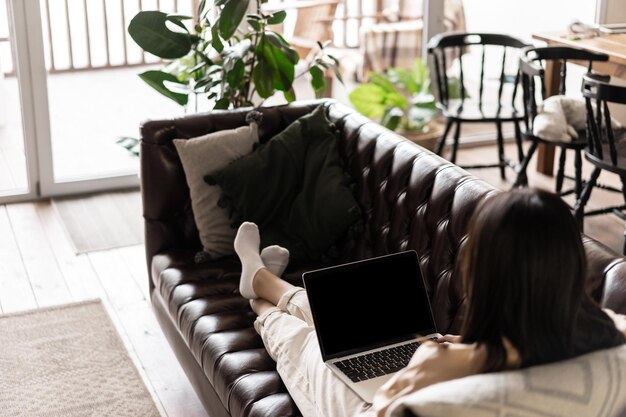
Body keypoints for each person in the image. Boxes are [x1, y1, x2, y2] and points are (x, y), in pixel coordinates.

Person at [233, 188, 626, 417]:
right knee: (335, 324)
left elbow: (387, 409)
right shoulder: (607, 333)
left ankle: (259, 298)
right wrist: (471, 344)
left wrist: (427, 361)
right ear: (570, 267)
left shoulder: (446, 367)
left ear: (483, 276)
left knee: (311, 345)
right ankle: (261, 279)